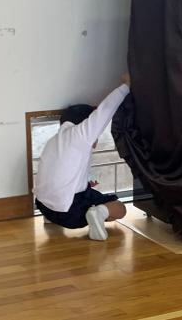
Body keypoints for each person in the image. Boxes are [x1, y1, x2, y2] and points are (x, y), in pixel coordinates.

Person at [34, 73, 131, 240]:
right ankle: (98, 213)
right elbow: (105, 111)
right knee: (119, 208)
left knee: (86, 191)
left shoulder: (54, 141)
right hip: (70, 212)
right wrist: (127, 86)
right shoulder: (79, 134)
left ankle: (52, 218)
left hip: (44, 206)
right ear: (84, 124)